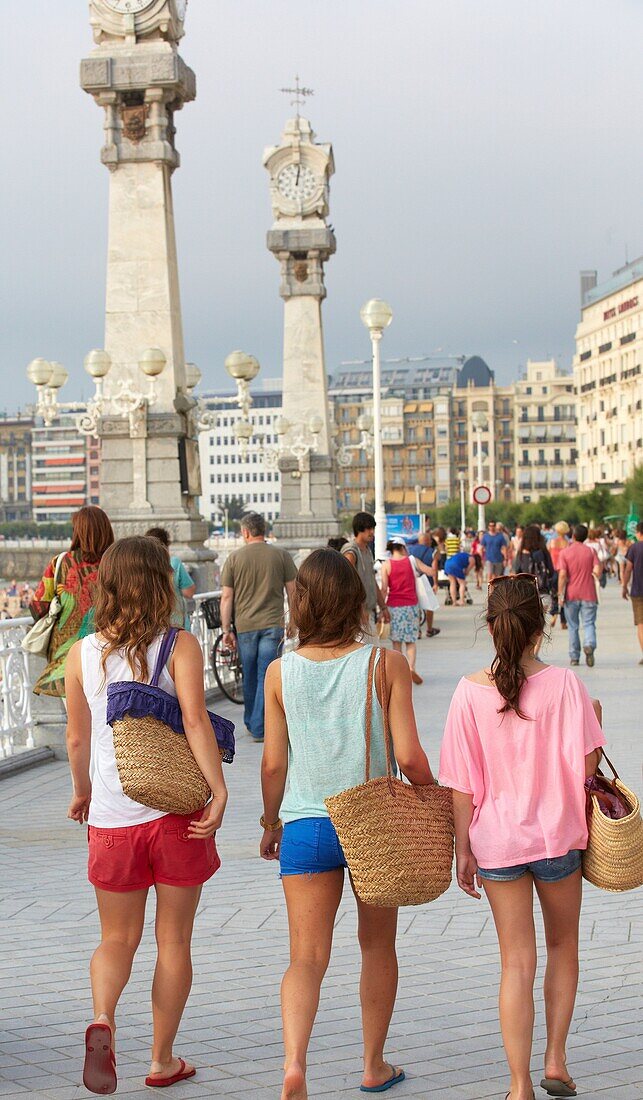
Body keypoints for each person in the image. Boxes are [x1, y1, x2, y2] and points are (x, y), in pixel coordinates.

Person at [259, 548, 435, 1100]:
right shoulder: (385, 664)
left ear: (302, 601)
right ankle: (373, 1065)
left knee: (306, 958)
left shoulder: (279, 672)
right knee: (377, 948)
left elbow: (273, 763)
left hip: (306, 825)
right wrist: (432, 799)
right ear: (356, 602)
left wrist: (270, 822)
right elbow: (407, 756)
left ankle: (293, 1067)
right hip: (373, 824)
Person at [64, 535, 228, 1094]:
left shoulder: (81, 654)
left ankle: (104, 1017)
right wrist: (218, 788)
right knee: (173, 940)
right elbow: (197, 722)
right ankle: (161, 1059)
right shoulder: (179, 645)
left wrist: (82, 791)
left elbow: (76, 738)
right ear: (161, 581)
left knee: (116, 938)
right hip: (177, 814)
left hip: (112, 820)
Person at [439, 574, 605, 1100]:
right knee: (563, 946)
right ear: (543, 626)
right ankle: (555, 1060)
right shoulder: (566, 686)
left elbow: (460, 786)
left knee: (515, 962)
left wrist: (462, 849)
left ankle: (518, 1086)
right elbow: (587, 769)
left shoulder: (467, 693)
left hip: (497, 844)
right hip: (559, 840)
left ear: (490, 627)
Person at [220, 512, 297, 742]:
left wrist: (226, 629)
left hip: (245, 626)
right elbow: (293, 591)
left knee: (250, 674)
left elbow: (226, 597)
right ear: (264, 530)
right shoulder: (281, 555)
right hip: (273, 623)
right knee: (268, 674)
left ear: (245, 532)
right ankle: (259, 724)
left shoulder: (234, 558)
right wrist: (293, 620)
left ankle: (254, 723)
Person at [31, 506, 114, 700]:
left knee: (78, 722)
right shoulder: (116, 562)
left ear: (78, 532)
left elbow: (37, 608)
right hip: (111, 652)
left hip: (67, 658)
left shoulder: (61, 562)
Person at [380, 537, 434, 684]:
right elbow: (430, 571)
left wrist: (380, 608)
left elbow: (384, 589)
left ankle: (398, 671)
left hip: (394, 607)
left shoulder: (386, 565)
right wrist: (434, 561)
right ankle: (412, 668)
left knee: (396, 642)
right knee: (410, 641)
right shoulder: (412, 560)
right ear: (403, 548)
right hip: (410, 606)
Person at [557, 525, 602, 667]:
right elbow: (597, 569)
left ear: (573, 536)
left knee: (573, 626)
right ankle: (589, 644)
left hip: (571, 594)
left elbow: (563, 575)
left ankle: (574, 657)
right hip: (589, 593)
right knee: (589, 623)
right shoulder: (591, 551)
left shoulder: (565, 552)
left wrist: (560, 593)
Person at [341, 512, 391, 629]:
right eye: (368, 529)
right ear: (359, 529)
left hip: (369, 611)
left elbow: (372, 582)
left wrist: (383, 607)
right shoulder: (351, 552)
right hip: (356, 614)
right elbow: (345, 583)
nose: (372, 532)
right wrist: (358, 609)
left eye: (373, 528)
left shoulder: (367, 551)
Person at [146, 527, 196, 630]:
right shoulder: (174, 563)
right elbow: (189, 591)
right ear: (166, 545)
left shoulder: (143, 566)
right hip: (176, 625)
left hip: (152, 626)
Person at [408, 533, 440, 636]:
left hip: (413, 581)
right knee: (429, 606)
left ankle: (418, 631)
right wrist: (435, 583)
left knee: (416, 605)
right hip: (427, 581)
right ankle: (429, 629)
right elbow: (434, 568)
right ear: (427, 541)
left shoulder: (410, 550)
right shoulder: (432, 552)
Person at [622, 520, 643, 665]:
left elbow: (628, 568)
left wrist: (624, 586)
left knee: (641, 624)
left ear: (639, 533)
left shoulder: (634, 548)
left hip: (638, 591)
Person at [548, 522, 570, 629]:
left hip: (554, 571)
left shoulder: (552, 542)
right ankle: (563, 621)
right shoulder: (568, 544)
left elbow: (548, 557)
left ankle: (554, 614)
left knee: (554, 595)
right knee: (564, 596)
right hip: (564, 571)